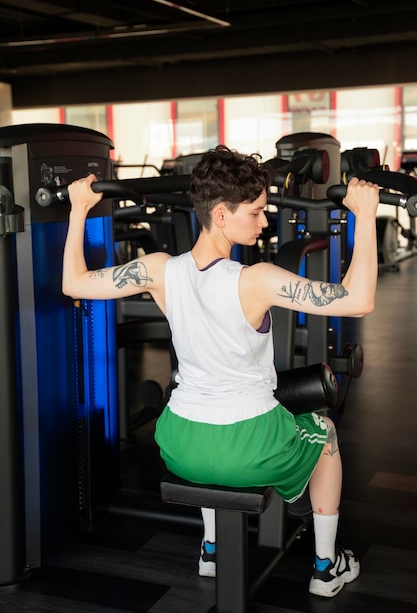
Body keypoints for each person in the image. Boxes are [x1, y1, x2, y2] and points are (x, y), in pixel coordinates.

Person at [63, 146, 379, 598]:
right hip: (248, 445)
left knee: (218, 438)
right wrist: (364, 216)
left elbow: (73, 283)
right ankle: (327, 568)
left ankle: (211, 550)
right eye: (256, 212)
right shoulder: (258, 279)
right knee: (324, 432)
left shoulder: (158, 270)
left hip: (178, 442)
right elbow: (358, 300)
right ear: (222, 214)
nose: (265, 221)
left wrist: (78, 210)